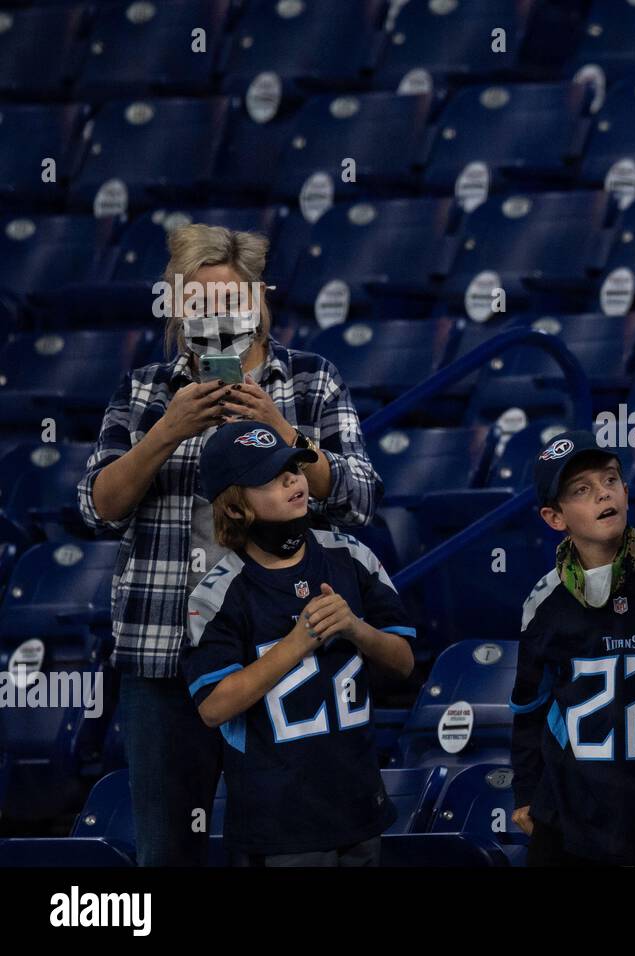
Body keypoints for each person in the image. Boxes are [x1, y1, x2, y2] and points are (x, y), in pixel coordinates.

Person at [75, 224, 382, 865]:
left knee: (292, 847)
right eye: (201, 301)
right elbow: (97, 510)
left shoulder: (311, 378)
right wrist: (165, 432)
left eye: (233, 300)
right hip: (164, 656)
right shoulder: (143, 391)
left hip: (284, 652)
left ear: (260, 302)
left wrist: (281, 430)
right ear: (180, 308)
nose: (218, 315)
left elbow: (359, 498)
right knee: (168, 852)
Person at [181, 420, 414, 866]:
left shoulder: (351, 557)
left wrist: (355, 628)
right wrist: (297, 643)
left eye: (294, 467)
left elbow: (404, 664)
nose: (292, 479)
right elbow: (212, 706)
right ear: (234, 507)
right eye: (270, 476)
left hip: (359, 801)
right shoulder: (219, 591)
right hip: (279, 822)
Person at [509, 430, 635, 866]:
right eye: (582, 490)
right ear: (554, 517)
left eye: (610, 479)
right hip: (566, 821)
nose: (604, 494)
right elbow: (528, 711)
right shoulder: (543, 602)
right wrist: (525, 793)